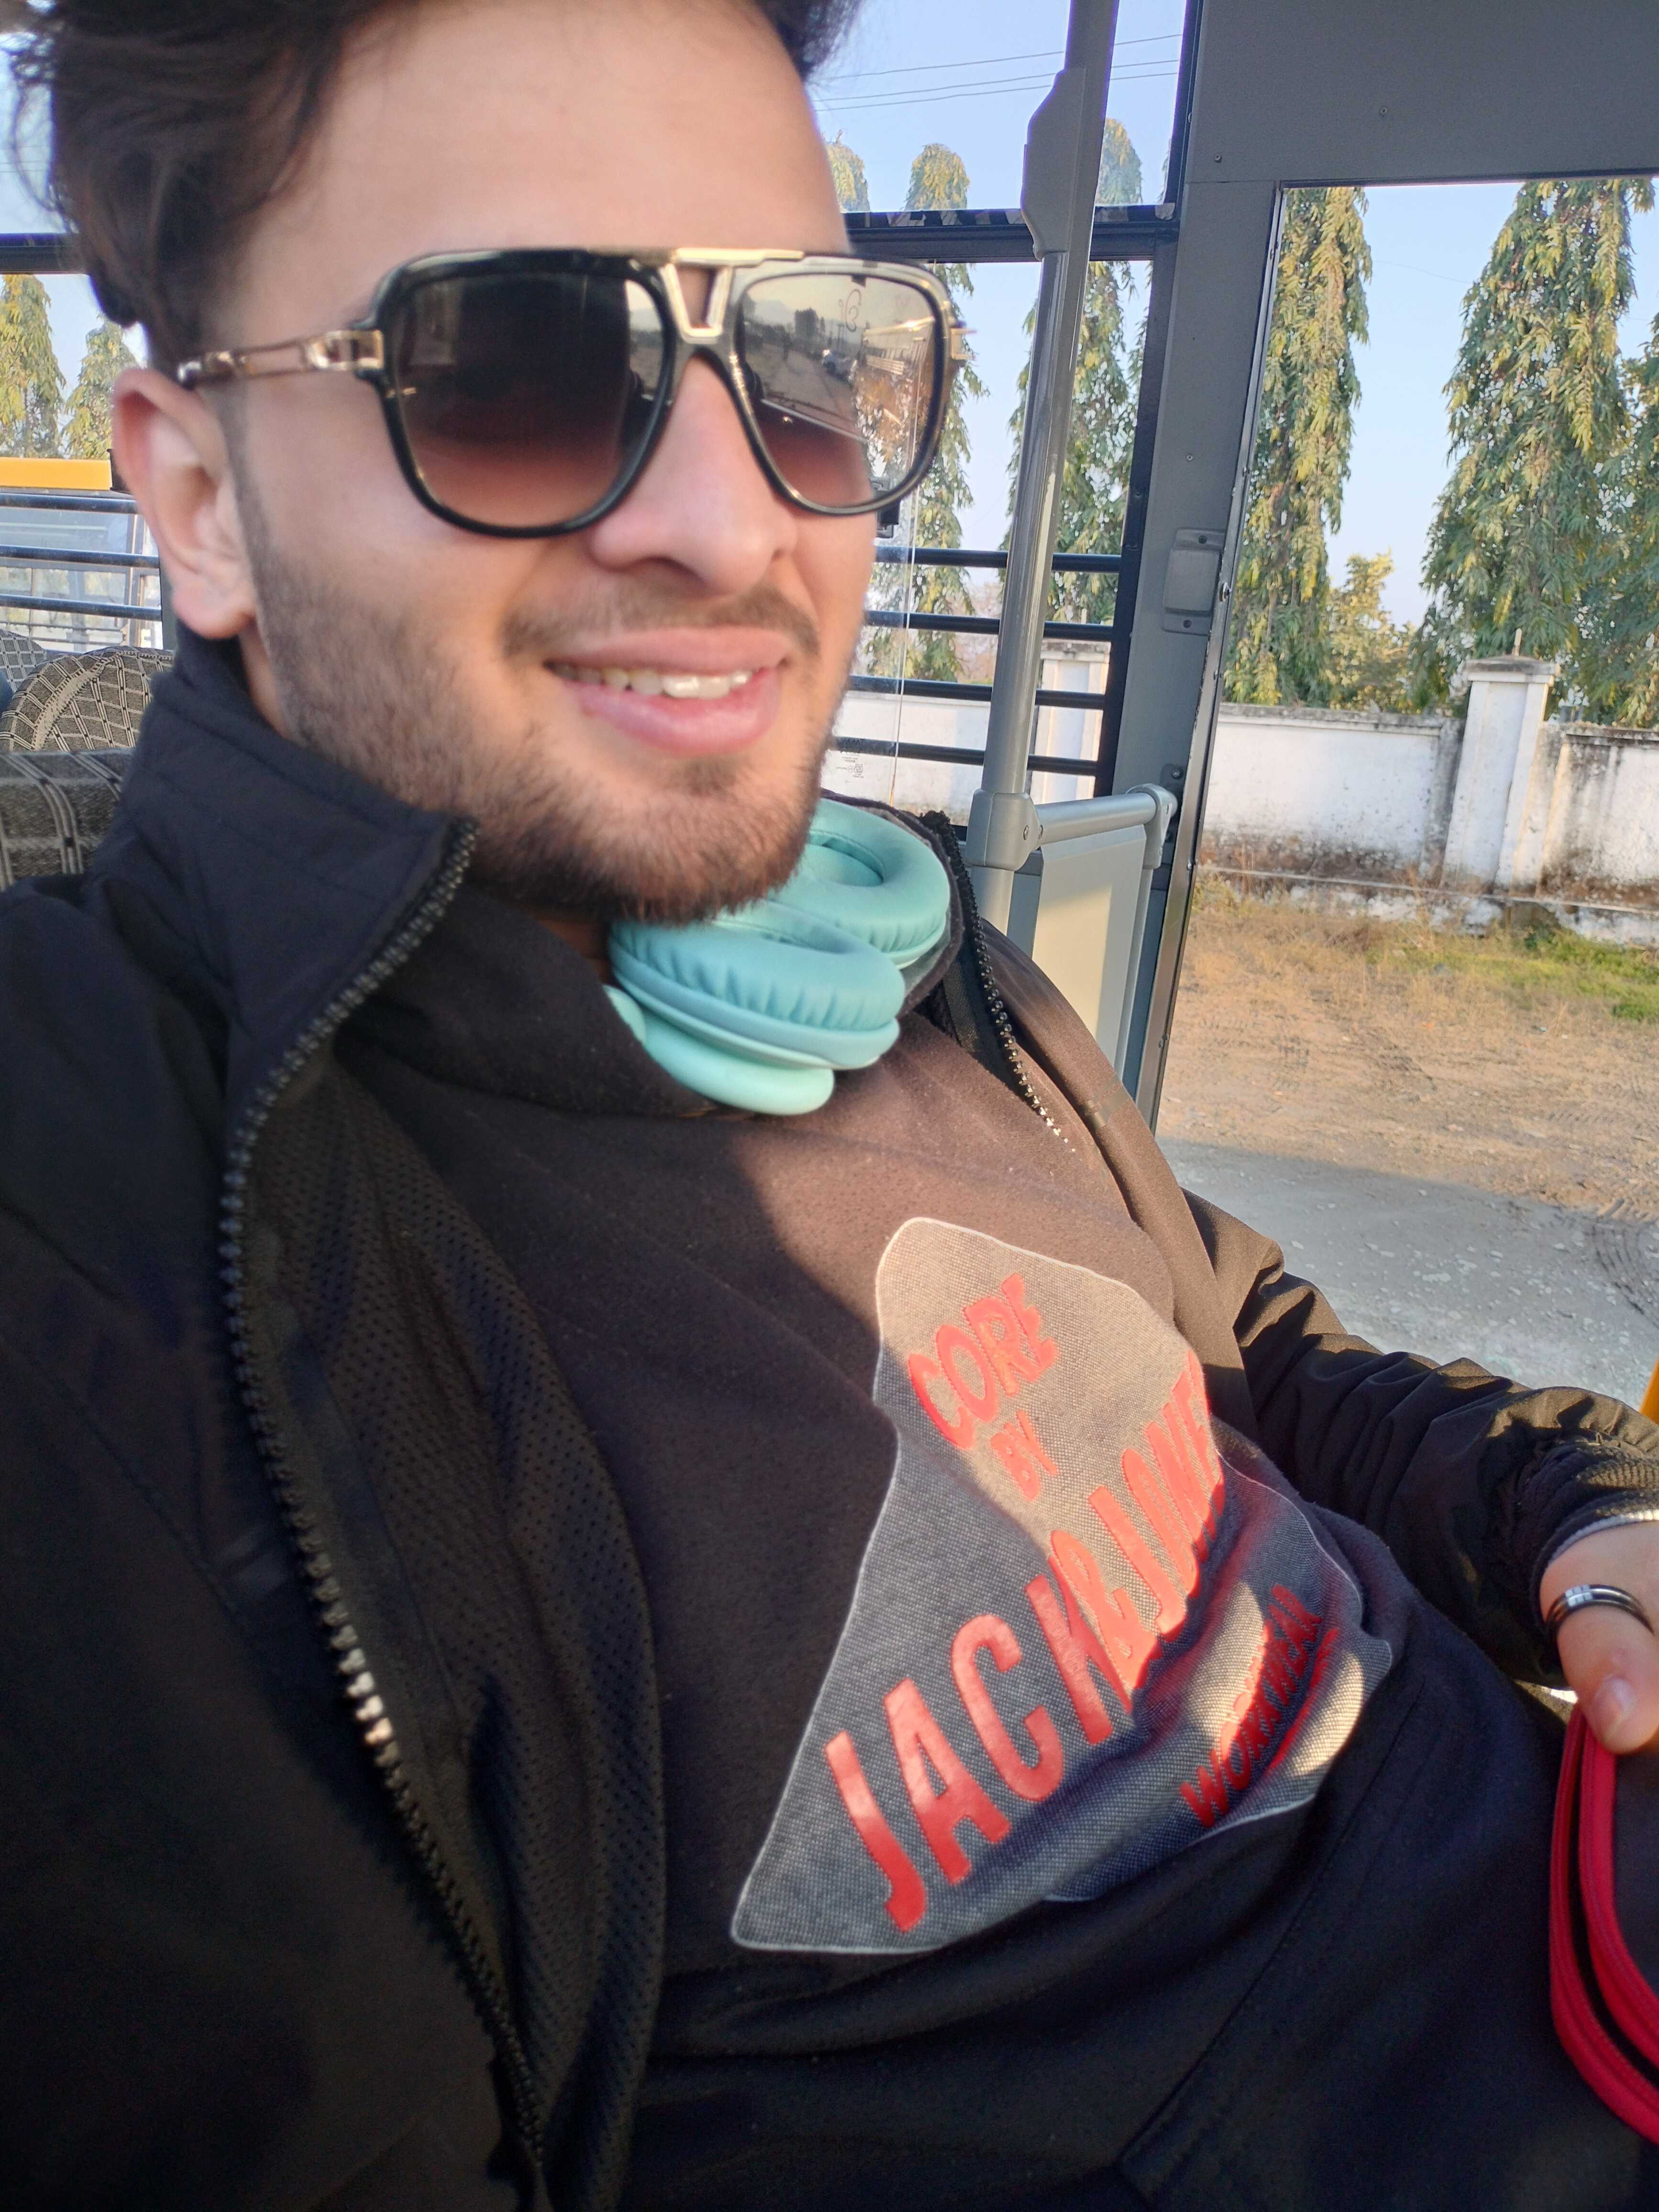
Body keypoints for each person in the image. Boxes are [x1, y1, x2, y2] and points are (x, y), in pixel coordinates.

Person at [2, 1, 1658, 2205]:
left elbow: (1246, 1346)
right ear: (198, 499)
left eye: (805, 362)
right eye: (510, 361)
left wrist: (1574, 1503)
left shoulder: (891, 947)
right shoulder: (103, 1231)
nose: (737, 520)